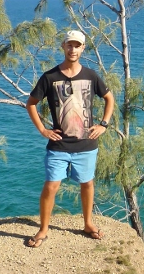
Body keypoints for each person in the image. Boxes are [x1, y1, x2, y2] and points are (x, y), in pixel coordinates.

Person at [24, 29, 114, 248]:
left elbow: (109, 99)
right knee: (51, 185)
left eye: (77, 45)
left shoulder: (91, 76)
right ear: (63, 47)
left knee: (87, 184)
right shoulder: (50, 77)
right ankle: (43, 229)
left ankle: (88, 224)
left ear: (83, 49)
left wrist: (103, 124)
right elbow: (31, 104)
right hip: (59, 145)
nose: (73, 49)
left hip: (86, 145)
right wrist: (43, 130)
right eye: (69, 45)